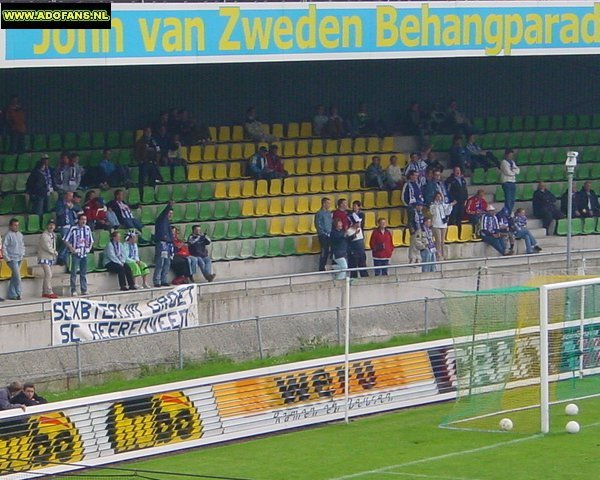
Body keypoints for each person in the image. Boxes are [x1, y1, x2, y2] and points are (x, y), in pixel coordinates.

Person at [63, 213, 94, 296]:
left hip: (84, 253)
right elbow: (65, 240)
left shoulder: (87, 229)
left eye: (85, 220)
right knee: (74, 272)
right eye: (82, 219)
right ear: (79, 220)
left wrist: (89, 249)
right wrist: (71, 248)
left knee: (83, 273)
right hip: (76, 253)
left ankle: (84, 289)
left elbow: (91, 240)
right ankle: (73, 290)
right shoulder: (73, 229)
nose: (84, 221)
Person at [135, 127, 163, 202]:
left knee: (152, 181)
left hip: (152, 163)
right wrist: (140, 161)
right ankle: (141, 197)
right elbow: (136, 153)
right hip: (144, 163)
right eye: (147, 131)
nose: (148, 133)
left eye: (150, 131)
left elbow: (158, 150)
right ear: (144, 132)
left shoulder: (153, 141)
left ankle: (152, 196)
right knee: (142, 181)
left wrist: (157, 161)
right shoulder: (140, 142)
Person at [55, 191, 81, 265]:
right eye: (69, 196)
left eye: (72, 196)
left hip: (71, 225)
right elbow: (59, 213)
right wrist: (65, 207)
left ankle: (64, 259)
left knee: (70, 241)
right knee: (66, 241)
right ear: (65, 196)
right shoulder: (59, 203)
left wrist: (72, 207)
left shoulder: (71, 203)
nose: (71, 198)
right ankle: (60, 257)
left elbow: (78, 208)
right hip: (63, 225)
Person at [3, 218, 25, 301]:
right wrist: (7, 258)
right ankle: (19, 293)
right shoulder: (8, 235)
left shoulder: (20, 234)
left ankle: (11, 294)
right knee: (18, 277)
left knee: (14, 276)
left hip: (19, 257)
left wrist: (22, 254)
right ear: (10, 226)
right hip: (12, 258)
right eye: (15, 225)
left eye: (17, 225)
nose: (17, 227)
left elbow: (22, 245)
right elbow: (4, 247)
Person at [26, 155, 54, 219]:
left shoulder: (48, 170)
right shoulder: (35, 173)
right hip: (38, 194)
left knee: (47, 209)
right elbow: (31, 185)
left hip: (46, 192)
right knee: (39, 210)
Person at [429, 192, 455, 261]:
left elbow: (447, 212)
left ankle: (443, 255)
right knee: (438, 240)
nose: (439, 198)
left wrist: (450, 205)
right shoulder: (432, 205)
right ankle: (438, 255)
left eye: (440, 196)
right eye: (437, 196)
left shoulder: (443, 205)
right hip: (436, 224)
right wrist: (436, 205)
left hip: (443, 224)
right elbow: (432, 212)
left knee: (442, 241)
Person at [153, 203, 174, 287]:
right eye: (169, 213)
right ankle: (157, 280)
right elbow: (163, 213)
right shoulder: (160, 220)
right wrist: (169, 206)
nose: (170, 215)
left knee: (167, 263)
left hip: (168, 244)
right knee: (160, 262)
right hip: (161, 243)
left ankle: (164, 279)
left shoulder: (168, 222)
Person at [37, 219, 59, 299]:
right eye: (50, 224)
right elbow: (47, 247)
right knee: (48, 274)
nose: (51, 226)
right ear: (47, 225)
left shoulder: (53, 235)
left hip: (50, 257)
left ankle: (44, 291)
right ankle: (49, 291)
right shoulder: (44, 235)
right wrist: (54, 252)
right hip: (44, 257)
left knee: (48, 274)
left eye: (53, 225)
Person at [347, 200, 368, 279]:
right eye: (353, 206)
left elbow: (360, 224)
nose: (354, 207)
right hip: (354, 246)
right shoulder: (349, 230)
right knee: (354, 263)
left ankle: (365, 277)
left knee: (362, 262)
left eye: (356, 206)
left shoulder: (361, 215)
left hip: (360, 242)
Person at [445, 166, 468, 236]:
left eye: (459, 170)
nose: (458, 172)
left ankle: (458, 234)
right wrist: (452, 200)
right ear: (453, 171)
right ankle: (451, 234)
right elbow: (447, 191)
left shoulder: (463, 180)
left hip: (462, 202)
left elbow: (465, 190)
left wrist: (465, 199)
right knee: (453, 218)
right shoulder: (450, 180)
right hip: (454, 203)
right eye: (456, 170)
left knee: (459, 218)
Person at [315, 197, 333, 272]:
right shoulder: (319, 213)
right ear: (324, 203)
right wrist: (323, 233)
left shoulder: (329, 213)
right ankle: (321, 267)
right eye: (328, 203)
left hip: (330, 234)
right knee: (324, 251)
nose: (329, 205)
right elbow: (318, 225)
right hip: (323, 235)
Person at [500, 148, 520, 213]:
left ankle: (509, 212)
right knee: (508, 200)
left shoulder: (512, 162)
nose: (511, 156)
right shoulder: (504, 162)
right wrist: (513, 171)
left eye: (512, 155)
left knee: (512, 200)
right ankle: (506, 213)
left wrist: (513, 170)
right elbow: (508, 172)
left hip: (513, 182)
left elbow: (518, 171)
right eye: (510, 155)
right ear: (506, 155)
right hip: (506, 182)